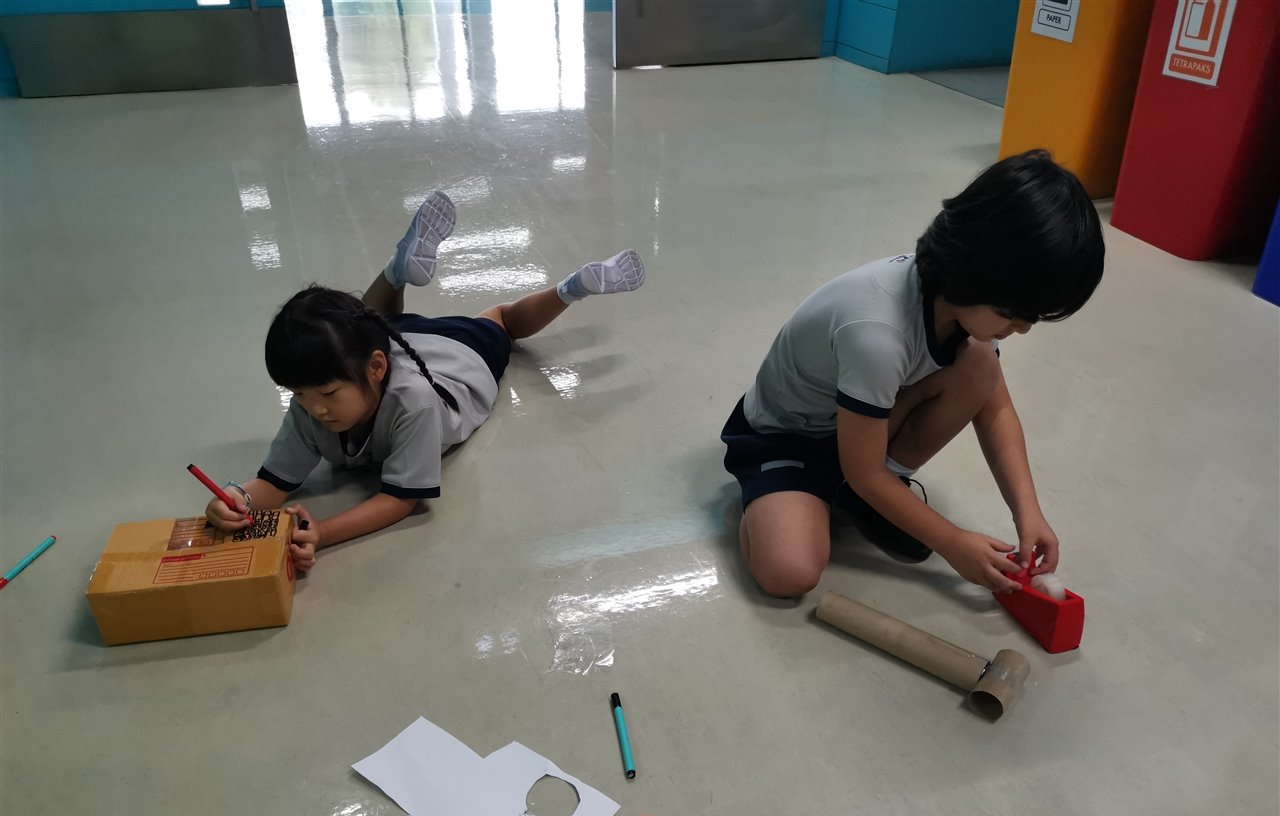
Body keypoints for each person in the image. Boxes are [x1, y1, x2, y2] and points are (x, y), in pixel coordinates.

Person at [721, 149, 1104, 598]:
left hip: (859, 427)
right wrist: (952, 542)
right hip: (786, 437)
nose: (1022, 328)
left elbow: (997, 412)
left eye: (1032, 316)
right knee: (790, 572)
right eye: (1015, 313)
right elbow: (864, 471)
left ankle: (863, 499)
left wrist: (1028, 513)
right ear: (976, 273)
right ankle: (774, 501)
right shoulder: (877, 333)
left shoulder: (962, 302)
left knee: (979, 365)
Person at [203, 190, 645, 571]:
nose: (315, 408)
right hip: (402, 340)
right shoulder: (320, 393)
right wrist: (233, 498)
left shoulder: (414, 403)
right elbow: (274, 483)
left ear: (375, 370)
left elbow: (399, 500)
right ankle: (396, 271)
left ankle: (572, 287)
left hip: (460, 357)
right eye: (298, 394)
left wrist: (324, 531)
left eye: (328, 394)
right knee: (368, 324)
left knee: (503, 320)